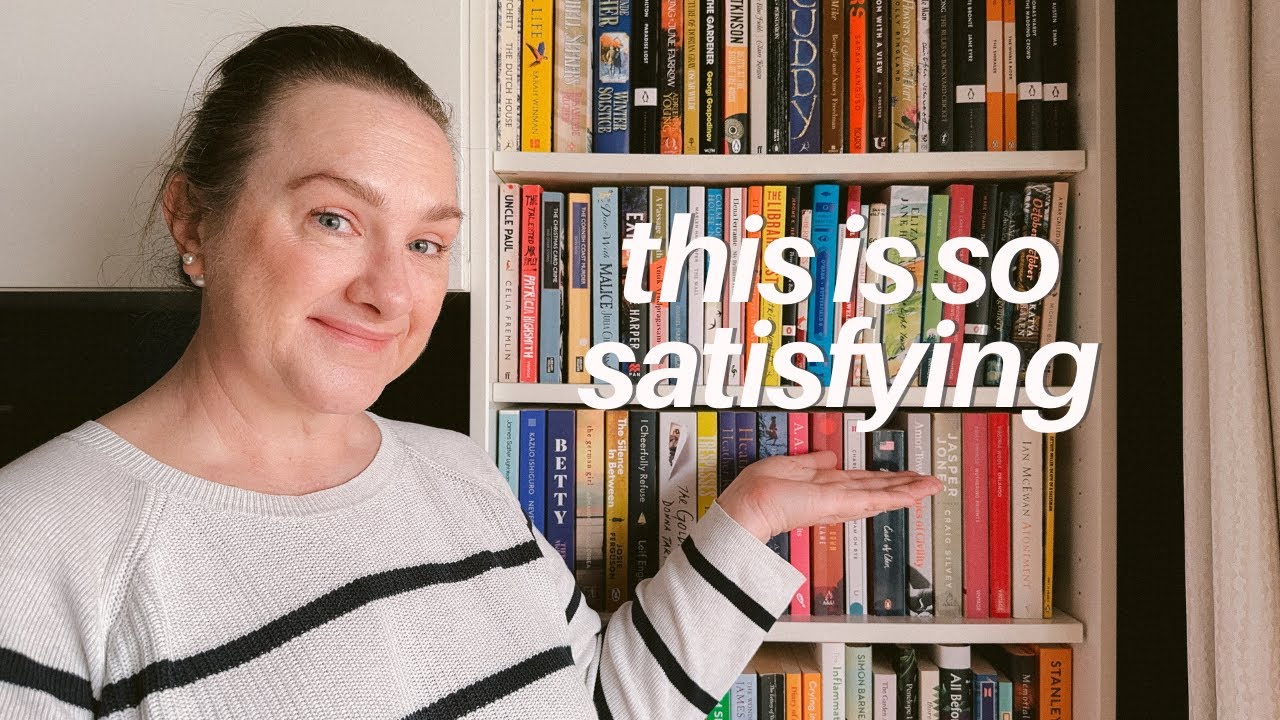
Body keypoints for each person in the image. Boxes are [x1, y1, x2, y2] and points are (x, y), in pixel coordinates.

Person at [0, 25, 941, 719]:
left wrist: (749, 521)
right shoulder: (35, 548)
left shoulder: (458, 471)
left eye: (425, 243)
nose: (388, 292)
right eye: (333, 219)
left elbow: (594, 702)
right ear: (192, 219)